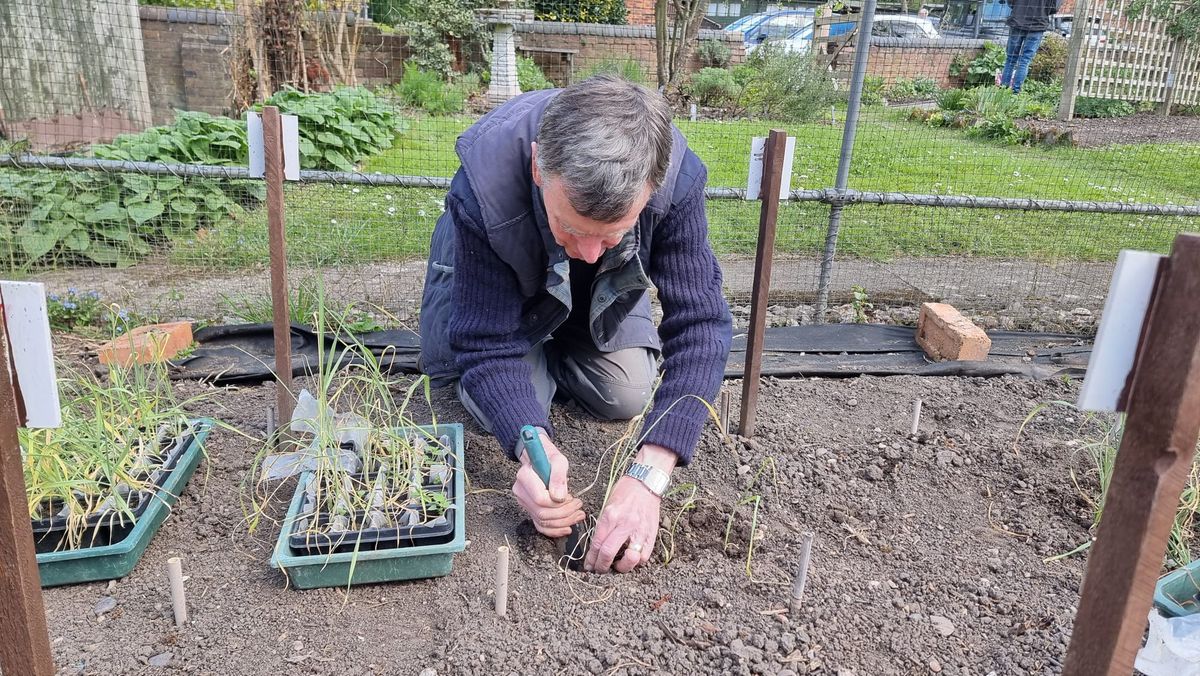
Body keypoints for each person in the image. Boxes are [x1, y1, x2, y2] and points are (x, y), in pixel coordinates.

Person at [419, 75, 733, 574]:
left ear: (649, 190)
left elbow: (701, 324)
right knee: (518, 400)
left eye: (611, 235)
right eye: (571, 228)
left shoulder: (674, 181)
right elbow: (484, 342)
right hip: (499, 295)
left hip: (592, 296)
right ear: (539, 166)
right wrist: (529, 442)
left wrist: (649, 474)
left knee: (627, 394)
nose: (587, 252)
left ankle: (556, 342)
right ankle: (537, 360)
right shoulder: (485, 186)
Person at [999, 0, 1059, 93]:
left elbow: (1010, 2)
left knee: (1010, 59)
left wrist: (1018, 7)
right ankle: (1015, 92)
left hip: (1018, 20)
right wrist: (1042, 11)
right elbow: (1054, 7)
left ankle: (1003, 90)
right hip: (1037, 24)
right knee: (1025, 61)